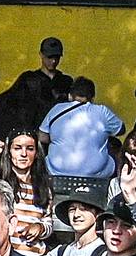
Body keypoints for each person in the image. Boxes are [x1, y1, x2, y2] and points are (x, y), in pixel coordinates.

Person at [39, 76, 125, 204]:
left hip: (55, 172)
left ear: (70, 96)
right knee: (118, 151)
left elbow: (42, 137)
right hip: (96, 175)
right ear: (92, 98)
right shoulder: (102, 111)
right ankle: (117, 199)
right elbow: (121, 129)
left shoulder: (56, 109)